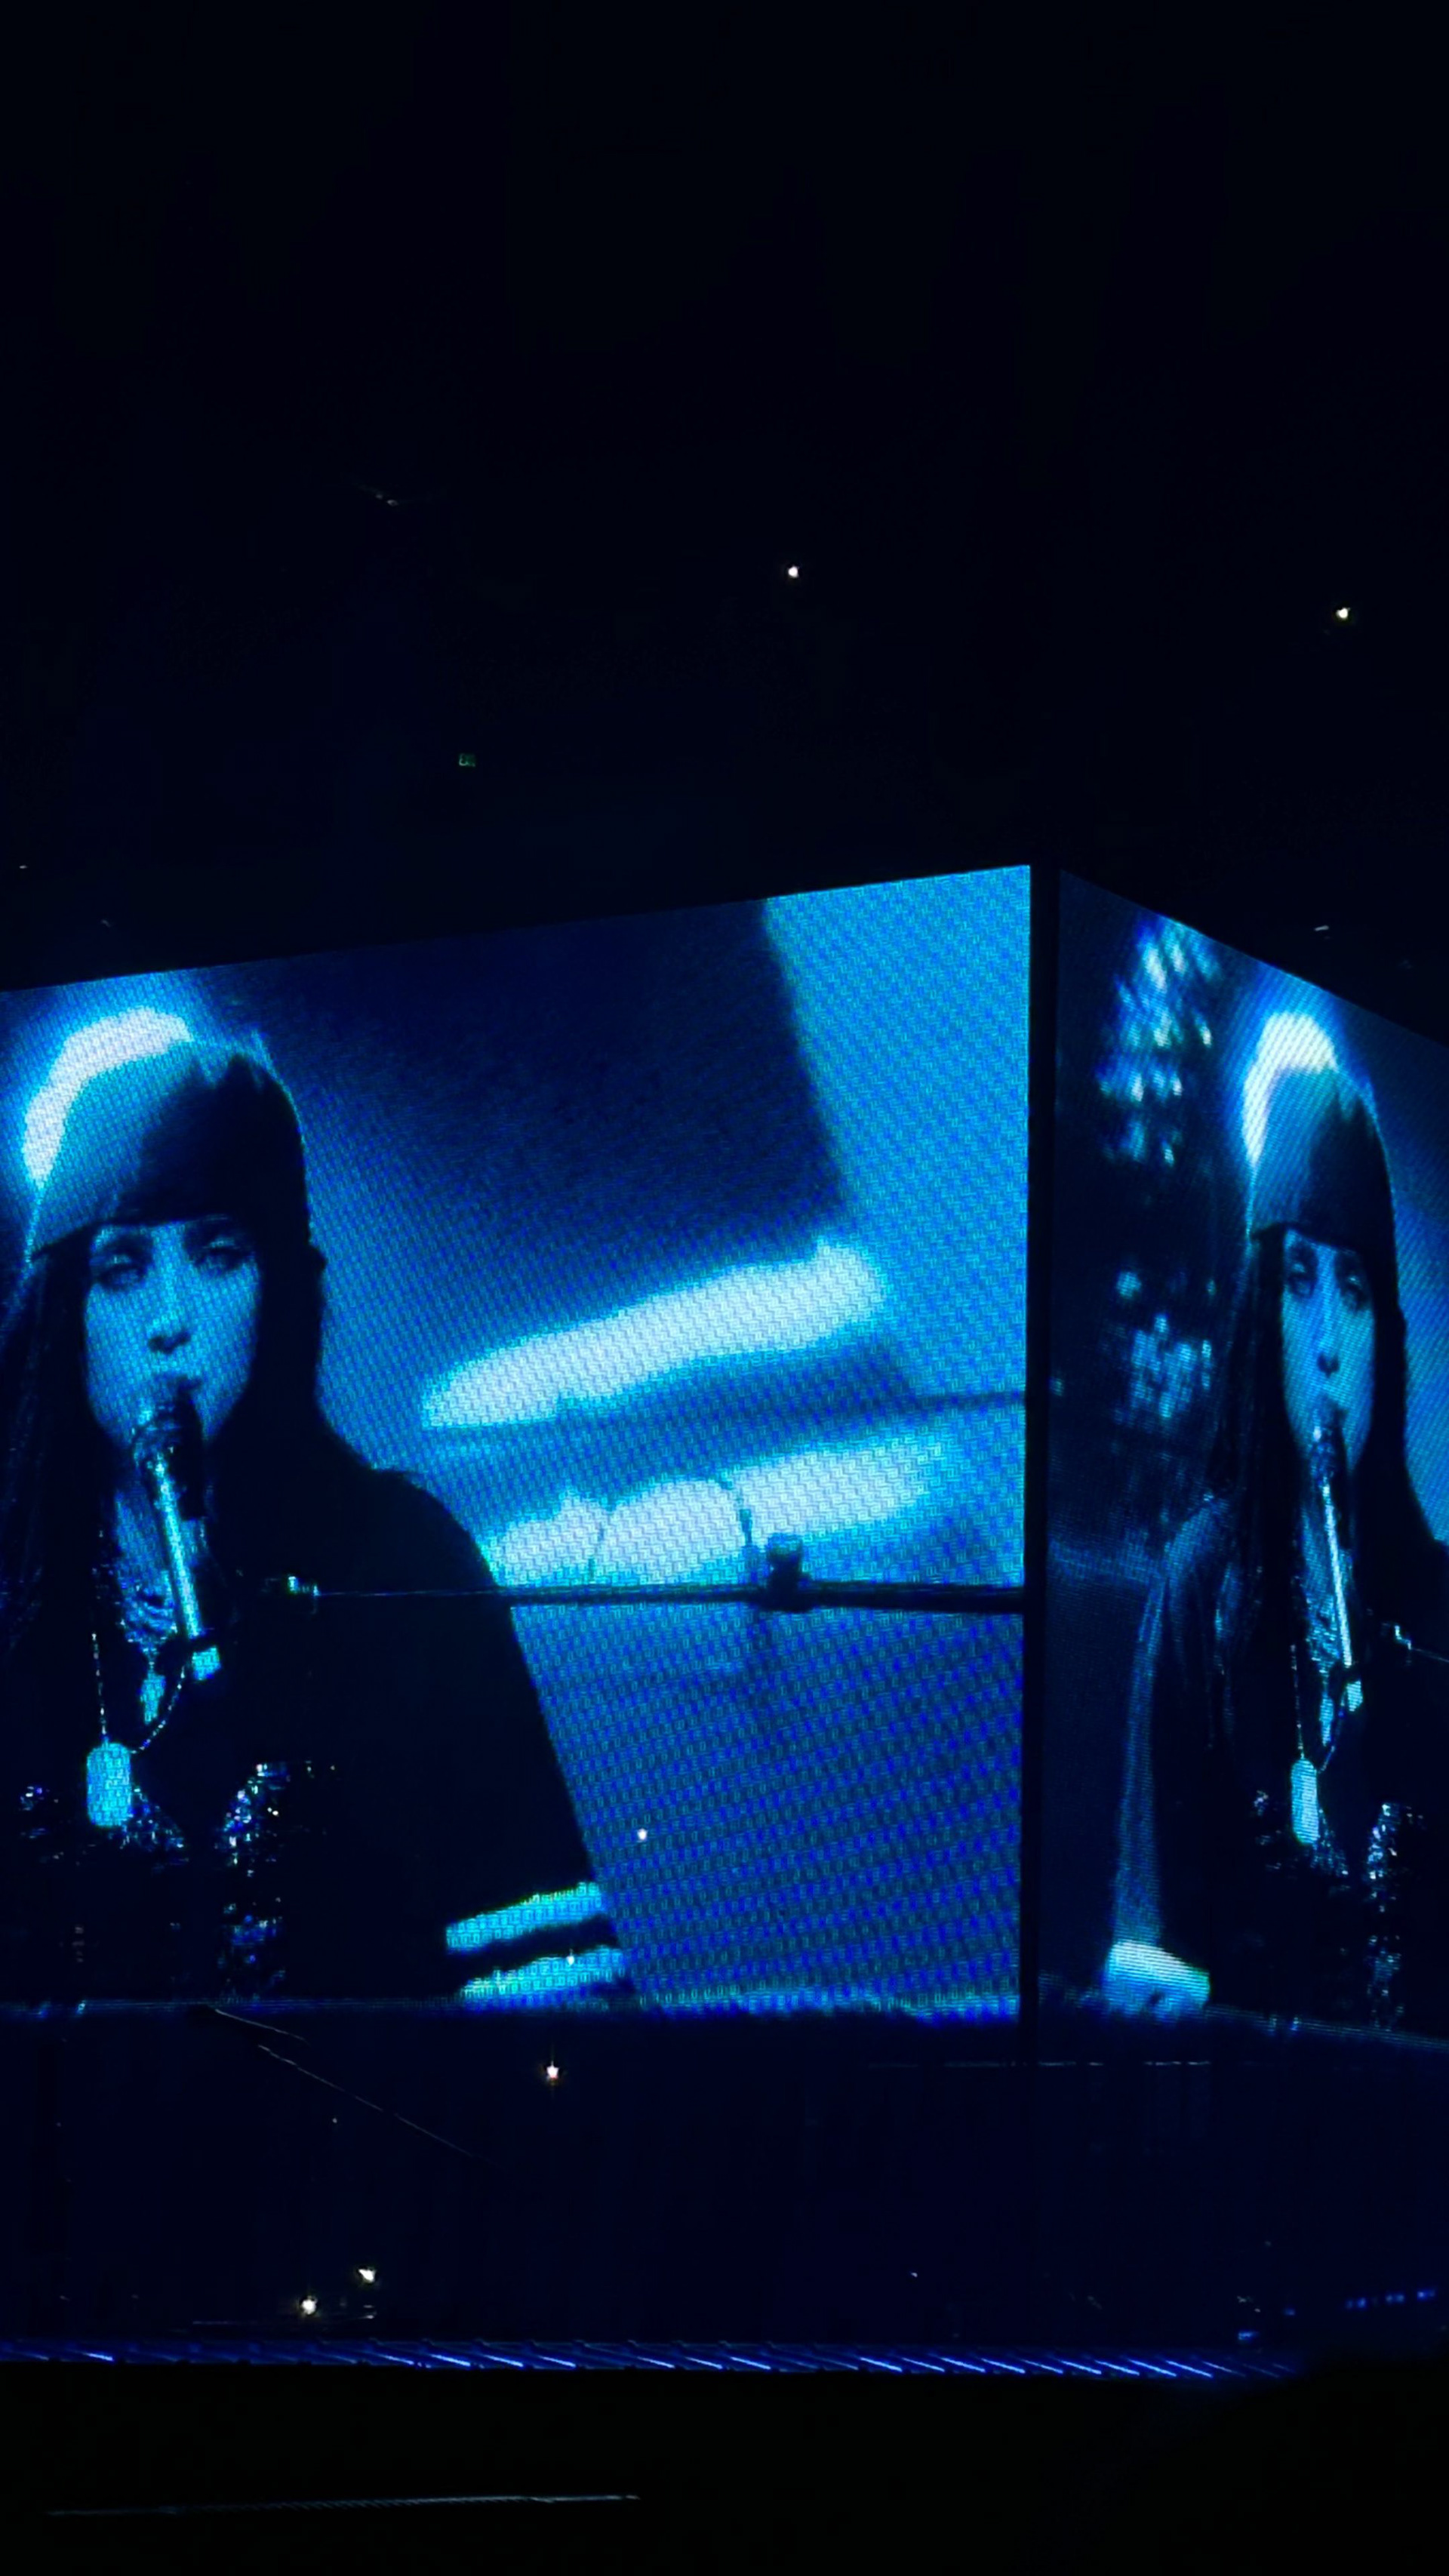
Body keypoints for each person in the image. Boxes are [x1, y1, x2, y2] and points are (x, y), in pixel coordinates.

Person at [0, 1038, 625, 2004]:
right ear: (63, 1312)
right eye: (122, 1267)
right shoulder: (19, 1603)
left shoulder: (399, 1559)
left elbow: (549, 1989)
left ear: (278, 1289)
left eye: (218, 1256)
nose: (170, 1318)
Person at [1107, 1064, 1449, 2033]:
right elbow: (1152, 1946)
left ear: (1386, 1334)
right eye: (1300, 1283)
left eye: (1355, 1289)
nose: (1329, 1340)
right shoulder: (1201, 1584)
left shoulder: (1436, 1606)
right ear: (1265, 1315)